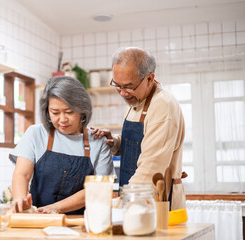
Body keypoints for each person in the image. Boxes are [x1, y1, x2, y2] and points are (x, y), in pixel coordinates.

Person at [92, 47, 186, 210]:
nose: (122, 93)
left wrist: (120, 207)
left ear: (149, 79)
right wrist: (115, 143)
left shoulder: (162, 105)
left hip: (155, 201)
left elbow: (151, 167)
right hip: (133, 197)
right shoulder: (136, 100)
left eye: (128, 86)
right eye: (117, 85)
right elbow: (139, 144)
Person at [10, 76, 115, 214]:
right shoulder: (36, 133)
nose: (63, 119)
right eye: (55, 112)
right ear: (47, 111)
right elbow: (22, 174)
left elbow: (100, 187)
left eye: (69, 112)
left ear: (82, 110)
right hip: (38, 219)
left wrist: (56, 208)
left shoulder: (98, 140)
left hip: (80, 223)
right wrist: (20, 200)